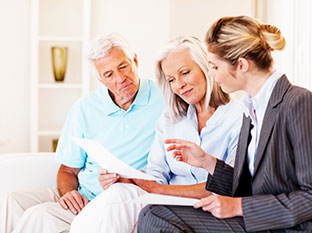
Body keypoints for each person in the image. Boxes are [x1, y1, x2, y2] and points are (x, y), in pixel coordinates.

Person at [137, 15, 312, 233]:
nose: (210, 74)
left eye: (214, 67)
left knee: (157, 215)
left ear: (241, 65)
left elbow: (310, 197)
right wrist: (208, 163)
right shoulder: (252, 109)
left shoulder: (297, 102)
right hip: (254, 222)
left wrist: (238, 206)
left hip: (283, 227)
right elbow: (248, 187)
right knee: (154, 213)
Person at [69, 36, 243, 233]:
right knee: (118, 191)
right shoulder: (170, 120)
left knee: (129, 205)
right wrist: (128, 180)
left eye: (185, 73)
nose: (179, 85)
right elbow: (156, 174)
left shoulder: (239, 118)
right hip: (165, 200)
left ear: (206, 67)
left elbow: (231, 184)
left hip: (210, 207)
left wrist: (159, 189)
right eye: (171, 80)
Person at [0, 33, 164, 233]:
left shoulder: (164, 98)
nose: (121, 79)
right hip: (83, 194)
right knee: (15, 201)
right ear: (100, 79)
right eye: (109, 74)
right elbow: (68, 170)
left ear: (135, 61)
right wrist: (69, 193)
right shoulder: (85, 107)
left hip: (115, 198)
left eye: (123, 66)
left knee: (39, 216)